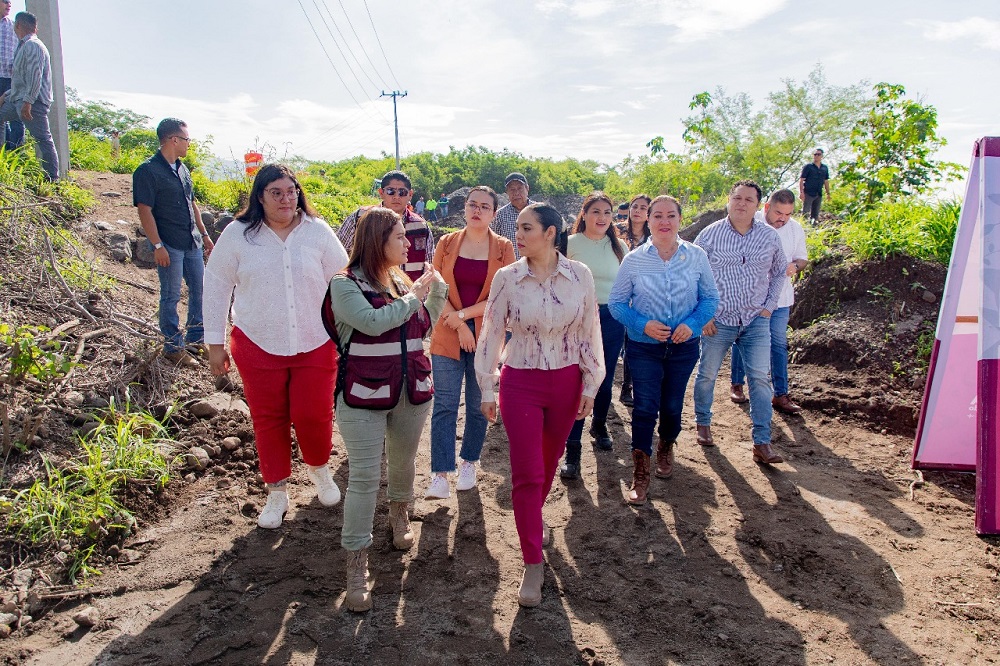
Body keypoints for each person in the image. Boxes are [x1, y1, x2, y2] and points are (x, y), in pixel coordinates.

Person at [204, 164, 348, 528]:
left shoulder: (316, 232)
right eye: (276, 193)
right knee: (269, 418)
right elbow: (217, 285)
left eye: (291, 191)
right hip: (257, 342)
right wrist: (214, 343)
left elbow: (344, 278)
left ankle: (319, 470)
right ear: (260, 196)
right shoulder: (239, 235)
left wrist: (353, 331)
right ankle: (277, 492)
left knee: (313, 413)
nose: (286, 199)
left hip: (315, 341)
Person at [476, 203, 604, 608]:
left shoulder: (579, 275)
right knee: (527, 474)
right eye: (517, 227)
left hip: (566, 382)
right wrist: (486, 387)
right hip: (521, 382)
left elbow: (589, 330)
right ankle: (533, 561)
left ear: (550, 233)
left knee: (547, 467)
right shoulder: (507, 278)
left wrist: (591, 382)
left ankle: (535, 521)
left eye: (526, 228)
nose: (518, 234)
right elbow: (492, 331)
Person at [329, 207, 447, 612]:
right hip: (362, 392)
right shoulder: (343, 284)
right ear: (377, 240)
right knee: (363, 476)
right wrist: (415, 296)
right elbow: (371, 322)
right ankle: (355, 561)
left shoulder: (400, 279)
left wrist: (437, 290)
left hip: (411, 388)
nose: (408, 244)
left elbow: (421, 325)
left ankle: (400, 515)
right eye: (399, 237)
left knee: (404, 461)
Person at [608, 196, 718, 504]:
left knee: (671, 407)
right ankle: (640, 472)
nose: (664, 221)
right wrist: (642, 324)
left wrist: (694, 324)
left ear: (680, 219)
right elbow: (617, 303)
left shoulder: (696, 256)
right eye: (658, 215)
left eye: (671, 215)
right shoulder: (633, 259)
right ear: (648, 220)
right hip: (644, 348)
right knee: (644, 407)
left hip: (683, 348)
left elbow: (710, 298)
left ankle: (666, 446)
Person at [425, 186, 515, 499]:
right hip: (448, 332)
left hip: (486, 336)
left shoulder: (503, 248)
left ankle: (469, 462)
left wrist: (464, 317)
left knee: (479, 405)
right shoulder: (446, 243)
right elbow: (436, 287)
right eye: (472, 205)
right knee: (445, 404)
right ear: (465, 208)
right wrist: (459, 324)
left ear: (494, 213)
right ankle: (439, 473)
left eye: (485, 207)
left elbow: (501, 295)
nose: (477, 210)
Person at [693, 180, 787, 464]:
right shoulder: (709, 235)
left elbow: (780, 271)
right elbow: (692, 274)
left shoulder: (770, 236)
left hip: (755, 320)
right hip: (718, 320)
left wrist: (769, 307)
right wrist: (703, 314)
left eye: (749, 199)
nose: (742, 203)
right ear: (729, 200)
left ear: (758, 205)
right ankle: (703, 423)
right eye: (737, 198)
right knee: (707, 374)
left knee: (759, 378)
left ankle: (762, 442)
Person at [133, 118, 214, 367]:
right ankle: (172, 346)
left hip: (191, 241)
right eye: (187, 139)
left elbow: (192, 204)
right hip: (169, 244)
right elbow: (144, 210)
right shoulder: (147, 170)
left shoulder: (182, 169)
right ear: (174, 140)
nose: (189, 144)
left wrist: (204, 234)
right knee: (171, 295)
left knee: (199, 290)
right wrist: (157, 245)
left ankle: (195, 339)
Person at [559, 192, 628, 479]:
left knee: (604, 376)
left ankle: (599, 424)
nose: (601, 217)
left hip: (612, 319)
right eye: (596, 211)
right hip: (577, 320)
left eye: (607, 213)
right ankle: (572, 450)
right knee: (578, 379)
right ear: (584, 214)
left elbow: (626, 284)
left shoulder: (619, 246)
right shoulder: (568, 243)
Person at [730, 189, 809, 414]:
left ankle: (780, 393)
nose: (782, 218)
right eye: (778, 212)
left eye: (787, 214)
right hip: (750, 297)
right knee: (742, 339)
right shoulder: (750, 223)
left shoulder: (795, 229)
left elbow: (802, 258)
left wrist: (795, 266)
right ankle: (737, 383)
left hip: (781, 299)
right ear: (766, 208)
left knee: (778, 344)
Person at [338, 170, 434, 281]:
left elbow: (429, 266)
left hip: (409, 294)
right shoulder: (360, 217)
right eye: (390, 191)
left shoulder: (420, 226)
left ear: (410, 195)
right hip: (366, 293)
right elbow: (339, 254)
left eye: (402, 192)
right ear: (381, 193)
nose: (396, 197)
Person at [0, 12, 57, 180]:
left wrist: (28, 102)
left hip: (34, 103)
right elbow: (21, 81)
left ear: (17, 25)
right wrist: (5, 96)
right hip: (18, 100)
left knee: (43, 139)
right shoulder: (23, 46)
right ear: (35, 27)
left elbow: (34, 76)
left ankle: (52, 180)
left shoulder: (33, 45)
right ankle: (2, 161)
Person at [616, 194, 651, 407]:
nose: (637, 211)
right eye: (634, 207)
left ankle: (626, 387)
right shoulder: (616, 231)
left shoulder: (653, 235)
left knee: (631, 342)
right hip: (615, 290)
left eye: (643, 207)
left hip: (640, 293)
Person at [491, 172, 537, 260]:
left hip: (537, 267)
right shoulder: (499, 215)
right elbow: (494, 244)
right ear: (507, 192)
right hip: (510, 268)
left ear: (527, 188)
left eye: (520, 188)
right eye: (512, 189)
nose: (516, 193)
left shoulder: (540, 211)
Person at [0, 0, 24, 151]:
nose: (9, 4)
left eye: (10, 2)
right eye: (5, 1)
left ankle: (16, 152)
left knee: (16, 115)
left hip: (11, 78)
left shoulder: (14, 26)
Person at [799, 148, 831, 222]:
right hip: (808, 193)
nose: (816, 156)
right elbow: (801, 180)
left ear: (822, 156)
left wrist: (828, 193)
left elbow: (826, 181)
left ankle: (813, 227)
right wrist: (801, 192)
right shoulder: (808, 167)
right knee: (805, 213)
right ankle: (803, 228)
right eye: (815, 154)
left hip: (818, 193)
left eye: (818, 154)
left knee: (815, 215)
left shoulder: (824, 168)